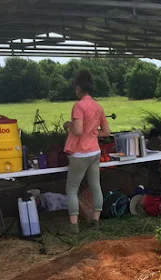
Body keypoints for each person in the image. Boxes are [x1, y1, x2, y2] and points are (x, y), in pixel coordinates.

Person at [63, 70, 111, 234]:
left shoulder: (79, 106)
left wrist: (68, 125)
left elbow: (77, 131)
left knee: (71, 190)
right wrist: (93, 133)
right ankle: (96, 221)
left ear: (78, 87)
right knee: (95, 185)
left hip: (80, 154)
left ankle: (74, 225)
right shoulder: (98, 106)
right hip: (95, 152)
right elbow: (106, 132)